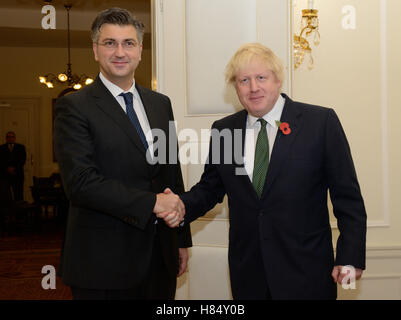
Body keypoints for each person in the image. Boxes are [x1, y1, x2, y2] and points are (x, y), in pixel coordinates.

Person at [177, 43, 367, 299]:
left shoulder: (320, 123)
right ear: (236, 87)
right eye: (244, 80)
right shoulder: (224, 130)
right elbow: (210, 189)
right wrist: (174, 206)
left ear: (278, 80)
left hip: (308, 273)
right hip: (249, 275)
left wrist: (350, 257)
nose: (253, 88)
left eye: (261, 78)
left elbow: (348, 199)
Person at [53, 7, 191, 300]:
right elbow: (80, 183)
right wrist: (153, 202)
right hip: (102, 263)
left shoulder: (160, 104)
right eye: (109, 43)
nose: (120, 52)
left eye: (128, 43)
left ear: (140, 50)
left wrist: (180, 239)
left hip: (159, 257)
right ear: (95, 50)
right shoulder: (74, 107)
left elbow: (171, 173)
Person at [0, 131, 26, 201]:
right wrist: (7, 168)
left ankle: (19, 211)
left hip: (17, 174)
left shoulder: (21, 147)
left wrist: (14, 169)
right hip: (5, 175)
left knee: (19, 195)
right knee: (5, 196)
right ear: (6, 138)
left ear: (14, 138)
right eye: (8, 137)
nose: (10, 138)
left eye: (12, 137)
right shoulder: (1, 148)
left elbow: (22, 160)